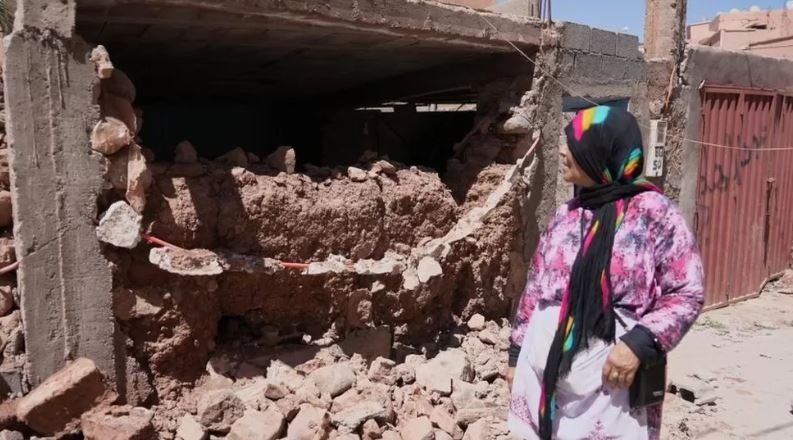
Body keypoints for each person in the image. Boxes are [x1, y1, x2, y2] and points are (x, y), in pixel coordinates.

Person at [505, 106, 705, 440]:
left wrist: (639, 344)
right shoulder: (565, 215)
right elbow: (535, 289)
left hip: (612, 380)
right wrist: (516, 355)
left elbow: (686, 292)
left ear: (600, 152)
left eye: (574, 144)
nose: (563, 151)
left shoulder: (655, 214)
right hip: (543, 372)